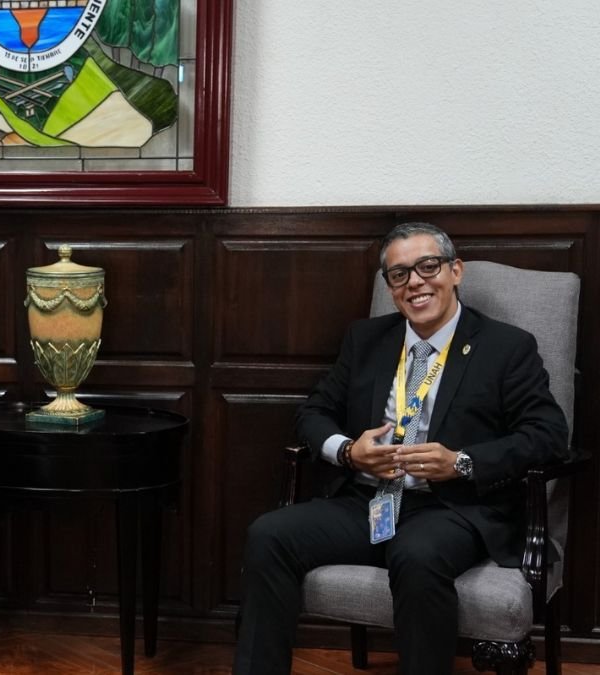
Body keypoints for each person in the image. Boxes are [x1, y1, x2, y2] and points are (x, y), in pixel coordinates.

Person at [234, 222, 569, 675]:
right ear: (391, 287)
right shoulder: (366, 339)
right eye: (399, 274)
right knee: (268, 534)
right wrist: (348, 451)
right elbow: (313, 412)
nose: (415, 282)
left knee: (417, 554)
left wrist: (461, 463)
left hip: (451, 508)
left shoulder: (506, 346)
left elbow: (548, 434)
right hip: (367, 500)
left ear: (455, 271)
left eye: (428, 266)